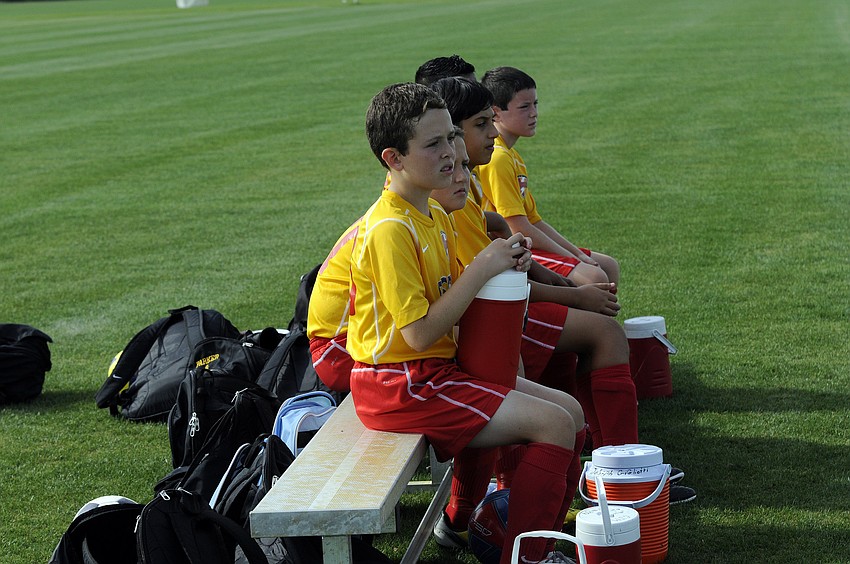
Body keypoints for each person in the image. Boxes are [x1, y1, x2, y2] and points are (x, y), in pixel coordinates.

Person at [349, 82, 585, 564]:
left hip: (430, 374)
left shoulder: (429, 211)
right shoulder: (391, 228)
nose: (450, 150)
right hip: (400, 384)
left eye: (451, 136)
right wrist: (485, 267)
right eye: (433, 143)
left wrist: (503, 268)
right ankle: (528, 556)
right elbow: (417, 333)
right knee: (554, 425)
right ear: (393, 158)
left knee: (571, 416)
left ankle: (525, 538)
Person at [477, 66, 621, 287]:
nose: (534, 113)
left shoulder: (511, 155)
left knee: (608, 265)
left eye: (535, 104)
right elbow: (517, 227)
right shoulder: (498, 158)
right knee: (594, 276)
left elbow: (534, 220)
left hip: (524, 241)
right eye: (525, 107)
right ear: (496, 112)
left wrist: (573, 252)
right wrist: (573, 257)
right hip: (509, 247)